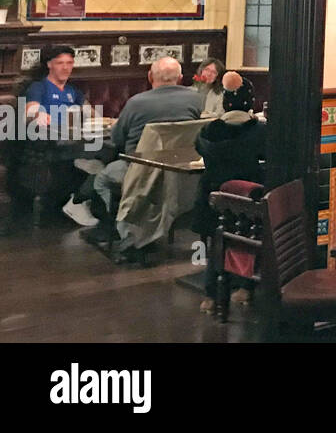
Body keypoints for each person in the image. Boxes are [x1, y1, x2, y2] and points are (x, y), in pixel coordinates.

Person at [84, 56, 201, 250]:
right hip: (180, 174)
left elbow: (117, 139)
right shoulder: (196, 99)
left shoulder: (136, 103)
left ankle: (119, 230)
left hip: (138, 170)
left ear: (150, 77)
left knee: (101, 179)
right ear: (180, 78)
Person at [194, 72, 266, 313]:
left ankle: (210, 296)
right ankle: (245, 287)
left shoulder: (207, 131)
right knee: (249, 240)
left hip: (211, 199)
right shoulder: (260, 131)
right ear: (250, 101)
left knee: (218, 242)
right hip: (248, 201)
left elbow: (199, 149)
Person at [22, 47, 96, 226]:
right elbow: (30, 110)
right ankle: (77, 201)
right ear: (49, 65)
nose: (65, 67)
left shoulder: (73, 91)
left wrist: (89, 114)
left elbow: (92, 114)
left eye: (69, 63)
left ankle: (83, 200)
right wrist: (39, 113)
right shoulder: (39, 87)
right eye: (60, 63)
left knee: (106, 153)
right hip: (51, 140)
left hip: (76, 137)